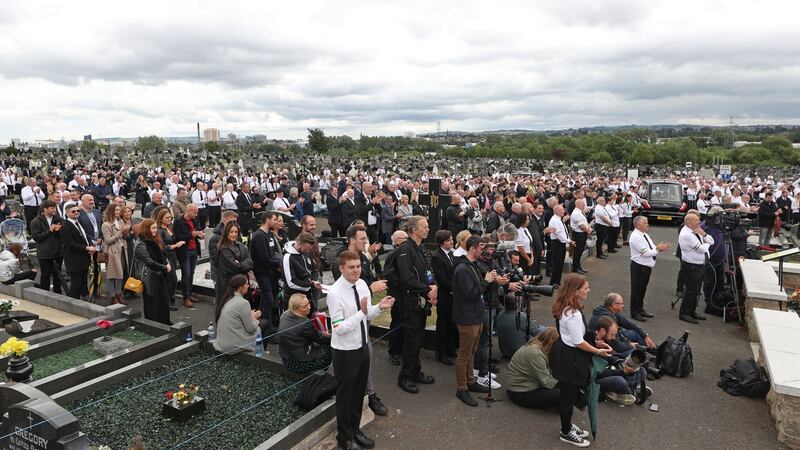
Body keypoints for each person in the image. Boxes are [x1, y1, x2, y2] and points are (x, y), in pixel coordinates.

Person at [327, 250, 394, 450]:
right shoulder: (335, 293)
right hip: (345, 351)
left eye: (358, 267)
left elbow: (367, 315)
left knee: (358, 393)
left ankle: (355, 430)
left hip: (363, 345)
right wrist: (361, 313)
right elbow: (338, 329)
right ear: (341, 268)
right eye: (351, 267)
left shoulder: (362, 284)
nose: (356, 271)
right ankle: (344, 437)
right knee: (346, 395)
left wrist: (380, 307)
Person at [548, 273, 611, 448]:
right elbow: (579, 342)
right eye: (585, 288)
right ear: (575, 291)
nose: (588, 290)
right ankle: (566, 431)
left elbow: (578, 335)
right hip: (571, 358)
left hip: (564, 353)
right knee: (568, 396)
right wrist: (598, 350)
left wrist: (595, 341)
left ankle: (566, 426)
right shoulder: (573, 313)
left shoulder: (565, 306)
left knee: (568, 394)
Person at [395, 216, 439, 394]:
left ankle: (416, 371)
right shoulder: (405, 250)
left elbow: (427, 271)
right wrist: (427, 289)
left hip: (421, 301)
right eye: (425, 226)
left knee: (418, 339)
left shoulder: (419, 248)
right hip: (410, 302)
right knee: (411, 341)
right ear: (414, 230)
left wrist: (433, 285)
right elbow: (407, 279)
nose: (428, 229)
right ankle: (404, 376)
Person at [452, 235, 496, 406]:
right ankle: (461, 388)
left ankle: (470, 381)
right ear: (472, 248)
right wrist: (486, 281)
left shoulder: (472, 266)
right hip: (467, 318)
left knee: (471, 351)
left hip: (475, 315)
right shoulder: (462, 269)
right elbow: (471, 294)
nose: (483, 251)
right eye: (481, 247)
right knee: (464, 354)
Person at [506, 327, 561, 410]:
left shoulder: (537, 346)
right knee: (561, 392)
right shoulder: (535, 354)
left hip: (525, 385)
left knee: (565, 385)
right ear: (552, 343)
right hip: (519, 392)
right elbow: (547, 383)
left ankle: (577, 400)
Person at [628, 216, 670, 321]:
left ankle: (640, 309)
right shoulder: (635, 237)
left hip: (646, 267)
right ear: (638, 225)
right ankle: (635, 312)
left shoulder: (644, 234)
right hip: (639, 267)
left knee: (642, 289)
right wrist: (658, 249)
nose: (648, 224)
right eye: (645, 223)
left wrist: (658, 248)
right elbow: (645, 253)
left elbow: (652, 247)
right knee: (636, 290)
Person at [587, 293, 656, 358]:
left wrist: (645, 336)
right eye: (621, 303)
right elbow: (617, 345)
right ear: (614, 305)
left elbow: (629, 324)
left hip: (614, 341)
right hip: (606, 348)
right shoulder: (608, 320)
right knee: (635, 353)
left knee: (633, 333)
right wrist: (631, 346)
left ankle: (656, 350)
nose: (623, 305)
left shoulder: (609, 312)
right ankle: (650, 355)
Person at [278, 293, 332, 374]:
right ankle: (320, 375)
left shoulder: (285, 314)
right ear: (296, 308)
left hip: (286, 359)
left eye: (308, 303)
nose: (309, 307)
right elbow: (320, 338)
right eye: (304, 306)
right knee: (330, 347)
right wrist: (333, 336)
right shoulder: (304, 323)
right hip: (300, 364)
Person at [134, 219, 172, 325]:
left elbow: (162, 254)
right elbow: (149, 261)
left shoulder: (155, 240)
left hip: (159, 275)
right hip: (149, 277)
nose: (156, 230)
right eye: (153, 228)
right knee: (152, 303)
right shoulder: (140, 244)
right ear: (147, 229)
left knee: (163, 300)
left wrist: (166, 263)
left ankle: (164, 322)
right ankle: (152, 325)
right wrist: (164, 267)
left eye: (156, 228)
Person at [677, 213, 712, 324]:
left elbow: (712, 241)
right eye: (696, 220)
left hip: (699, 264)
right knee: (691, 290)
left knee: (696, 290)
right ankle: (684, 313)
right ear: (689, 222)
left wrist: (704, 235)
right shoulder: (686, 234)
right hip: (691, 265)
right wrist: (707, 246)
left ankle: (692, 311)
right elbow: (701, 249)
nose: (699, 222)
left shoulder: (697, 230)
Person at [214, 274, 262, 354]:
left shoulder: (227, 299)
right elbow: (250, 328)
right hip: (231, 345)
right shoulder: (243, 303)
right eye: (246, 284)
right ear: (240, 287)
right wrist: (254, 317)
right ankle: (259, 355)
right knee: (259, 329)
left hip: (221, 342)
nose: (248, 286)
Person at [430, 230, 458, 366]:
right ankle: (442, 353)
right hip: (445, 296)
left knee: (452, 324)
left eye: (452, 239)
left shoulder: (452, 254)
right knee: (443, 325)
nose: (452, 242)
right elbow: (441, 278)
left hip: (453, 295)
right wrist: (455, 287)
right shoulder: (437, 257)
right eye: (449, 240)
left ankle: (450, 348)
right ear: (442, 243)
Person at [61, 201, 95, 300]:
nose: (76, 212)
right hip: (74, 259)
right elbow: (70, 244)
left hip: (84, 257)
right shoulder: (65, 226)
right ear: (67, 213)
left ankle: (83, 298)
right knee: (76, 283)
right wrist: (86, 248)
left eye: (78, 211)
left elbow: (85, 237)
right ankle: (72, 303)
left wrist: (91, 245)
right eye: (73, 211)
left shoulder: (78, 223)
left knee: (83, 281)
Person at [174, 204, 204, 308]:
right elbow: (178, 237)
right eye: (194, 212)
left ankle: (189, 294)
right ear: (188, 211)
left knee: (191, 274)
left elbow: (196, 232)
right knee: (186, 275)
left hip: (194, 249)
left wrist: (200, 234)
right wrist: (192, 235)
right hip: (184, 251)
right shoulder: (178, 222)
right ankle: (185, 297)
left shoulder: (195, 221)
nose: (196, 215)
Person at [282, 232, 321, 311]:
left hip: (306, 296)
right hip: (294, 299)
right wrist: (311, 284)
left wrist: (312, 280)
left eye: (309, 249)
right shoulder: (288, 257)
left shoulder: (303, 252)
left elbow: (310, 270)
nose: (307, 251)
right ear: (299, 243)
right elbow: (291, 283)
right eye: (306, 249)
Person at [30, 200, 63, 294]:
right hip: (44, 253)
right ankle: (45, 295)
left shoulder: (58, 219)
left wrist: (60, 230)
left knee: (58, 275)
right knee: (45, 275)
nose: (55, 210)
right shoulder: (36, 221)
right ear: (45, 209)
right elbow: (36, 237)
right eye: (52, 208)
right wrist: (50, 231)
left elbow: (64, 234)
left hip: (57, 253)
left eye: (55, 208)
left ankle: (58, 293)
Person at [101, 204, 131, 305]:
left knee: (120, 274)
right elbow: (108, 240)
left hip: (122, 250)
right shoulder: (106, 224)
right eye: (116, 210)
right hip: (112, 252)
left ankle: (119, 294)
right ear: (111, 211)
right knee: (112, 275)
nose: (118, 212)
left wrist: (127, 231)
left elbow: (124, 236)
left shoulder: (120, 221)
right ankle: (113, 296)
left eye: (119, 210)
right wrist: (120, 233)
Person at [155, 208, 184, 312]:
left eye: (170, 217)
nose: (169, 219)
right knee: (172, 280)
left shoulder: (169, 228)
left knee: (171, 280)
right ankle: (168, 302)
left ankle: (170, 301)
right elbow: (162, 247)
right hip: (165, 257)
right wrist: (176, 245)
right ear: (161, 218)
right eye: (166, 218)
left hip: (172, 256)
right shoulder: (160, 231)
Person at [216, 221, 254, 295]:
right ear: (227, 233)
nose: (234, 234)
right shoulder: (224, 249)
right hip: (231, 285)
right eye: (231, 232)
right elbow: (236, 267)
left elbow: (251, 262)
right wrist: (244, 263)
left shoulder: (240, 245)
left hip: (243, 282)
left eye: (236, 232)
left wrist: (240, 263)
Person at [548, 204, 573, 289]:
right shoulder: (555, 220)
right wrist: (569, 241)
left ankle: (557, 281)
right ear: (557, 211)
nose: (564, 211)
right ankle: (554, 282)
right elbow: (558, 234)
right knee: (557, 263)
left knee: (560, 263)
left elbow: (563, 232)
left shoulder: (558, 219)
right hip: (557, 243)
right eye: (562, 210)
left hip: (560, 243)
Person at [569, 199, 590, 275]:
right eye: (582, 204)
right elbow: (581, 225)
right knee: (577, 252)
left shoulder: (580, 212)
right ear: (577, 204)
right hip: (578, 235)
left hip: (582, 234)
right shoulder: (576, 213)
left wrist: (588, 228)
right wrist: (588, 230)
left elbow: (585, 222)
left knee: (580, 251)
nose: (584, 205)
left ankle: (578, 266)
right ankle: (576, 268)